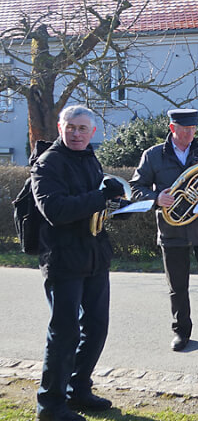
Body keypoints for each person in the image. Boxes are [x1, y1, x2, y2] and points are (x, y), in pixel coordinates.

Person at [31, 105, 122, 421]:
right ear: (60, 127)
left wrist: (116, 202)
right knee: (65, 332)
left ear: (93, 132)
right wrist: (100, 198)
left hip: (95, 256)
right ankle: (51, 405)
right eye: (71, 127)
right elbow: (55, 210)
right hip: (64, 259)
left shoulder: (88, 157)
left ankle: (78, 389)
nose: (77, 133)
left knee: (96, 328)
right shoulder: (47, 164)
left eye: (83, 128)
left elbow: (94, 203)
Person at [130, 108, 198, 352]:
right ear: (172, 128)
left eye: (193, 129)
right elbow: (135, 187)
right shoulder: (153, 155)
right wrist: (156, 198)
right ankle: (181, 331)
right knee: (177, 285)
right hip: (172, 229)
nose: (189, 134)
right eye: (184, 130)